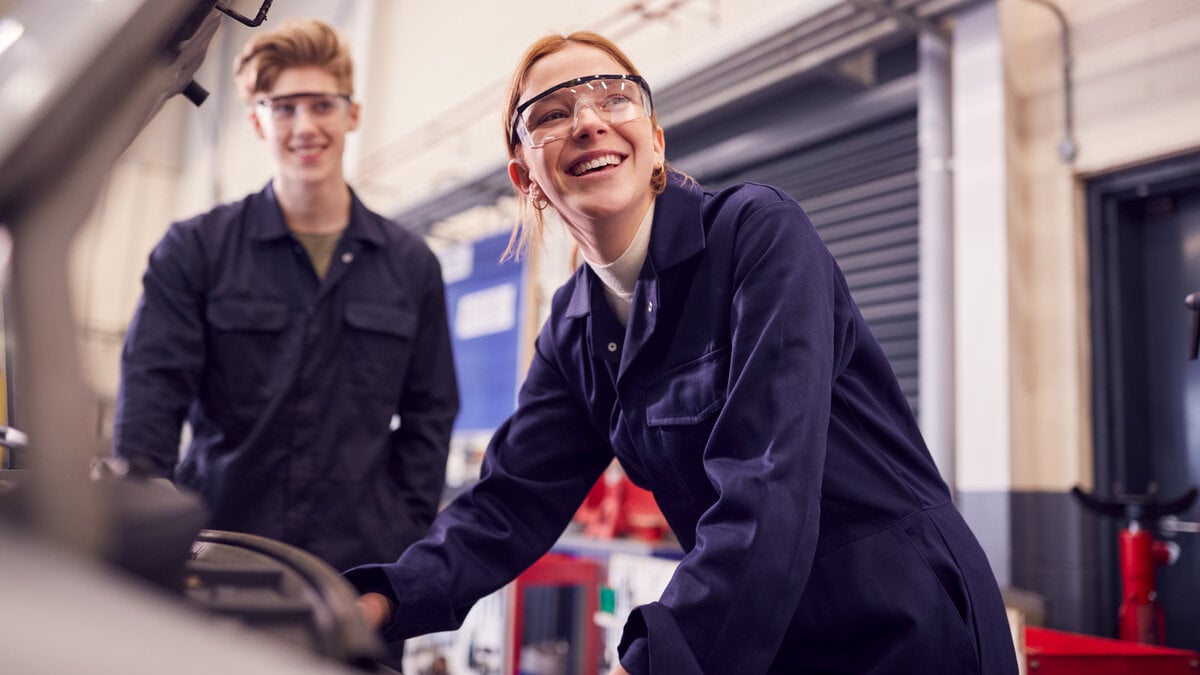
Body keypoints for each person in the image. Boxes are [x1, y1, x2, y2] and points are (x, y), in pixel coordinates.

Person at [348, 31, 1018, 675]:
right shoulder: (575, 328)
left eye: (614, 98)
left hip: (902, 621)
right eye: (551, 113)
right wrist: (377, 601)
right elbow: (507, 505)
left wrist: (653, 661)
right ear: (526, 176)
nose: (588, 121)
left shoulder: (757, 235)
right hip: (767, 637)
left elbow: (768, 480)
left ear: (656, 140)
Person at [112, 17, 459, 577]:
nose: (305, 126)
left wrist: (403, 529)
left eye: (322, 105)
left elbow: (430, 414)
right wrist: (149, 526)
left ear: (352, 114)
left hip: (357, 574)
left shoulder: (410, 264)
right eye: (284, 107)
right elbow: (151, 397)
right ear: (257, 121)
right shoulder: (195, 250)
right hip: (215, 559)